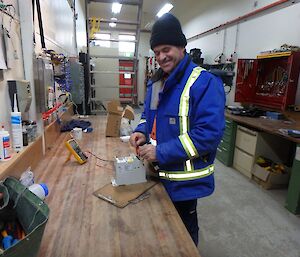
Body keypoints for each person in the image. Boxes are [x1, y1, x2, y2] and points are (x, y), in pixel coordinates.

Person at [129, 13, 225, 246]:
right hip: (156, 172)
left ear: (182, 47)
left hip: (185, 182)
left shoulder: (204, 83)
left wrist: (160, 152)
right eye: (156, 52)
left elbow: (208, 136)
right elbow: (148, 116)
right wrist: (141, 130)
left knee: (183, 234)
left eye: (166, 49)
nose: (161, 57)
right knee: (160, 228)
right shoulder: (157, 82)